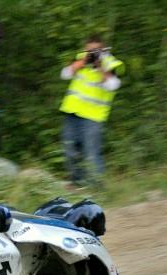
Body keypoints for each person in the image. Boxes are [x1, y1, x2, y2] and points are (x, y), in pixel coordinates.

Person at [59, 35, 124, 189]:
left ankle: (96, 187)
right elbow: (64, 74)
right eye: (89, 50)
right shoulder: (82, 59)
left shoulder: (111, 63)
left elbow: (113, 85)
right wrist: (83, 62)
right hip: (72, 111)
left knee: (91, 152)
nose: (92, 52)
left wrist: (100, 66)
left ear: (103, 49)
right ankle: (77, 183)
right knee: (70, 149)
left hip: (93, 116)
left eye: (95, 50)